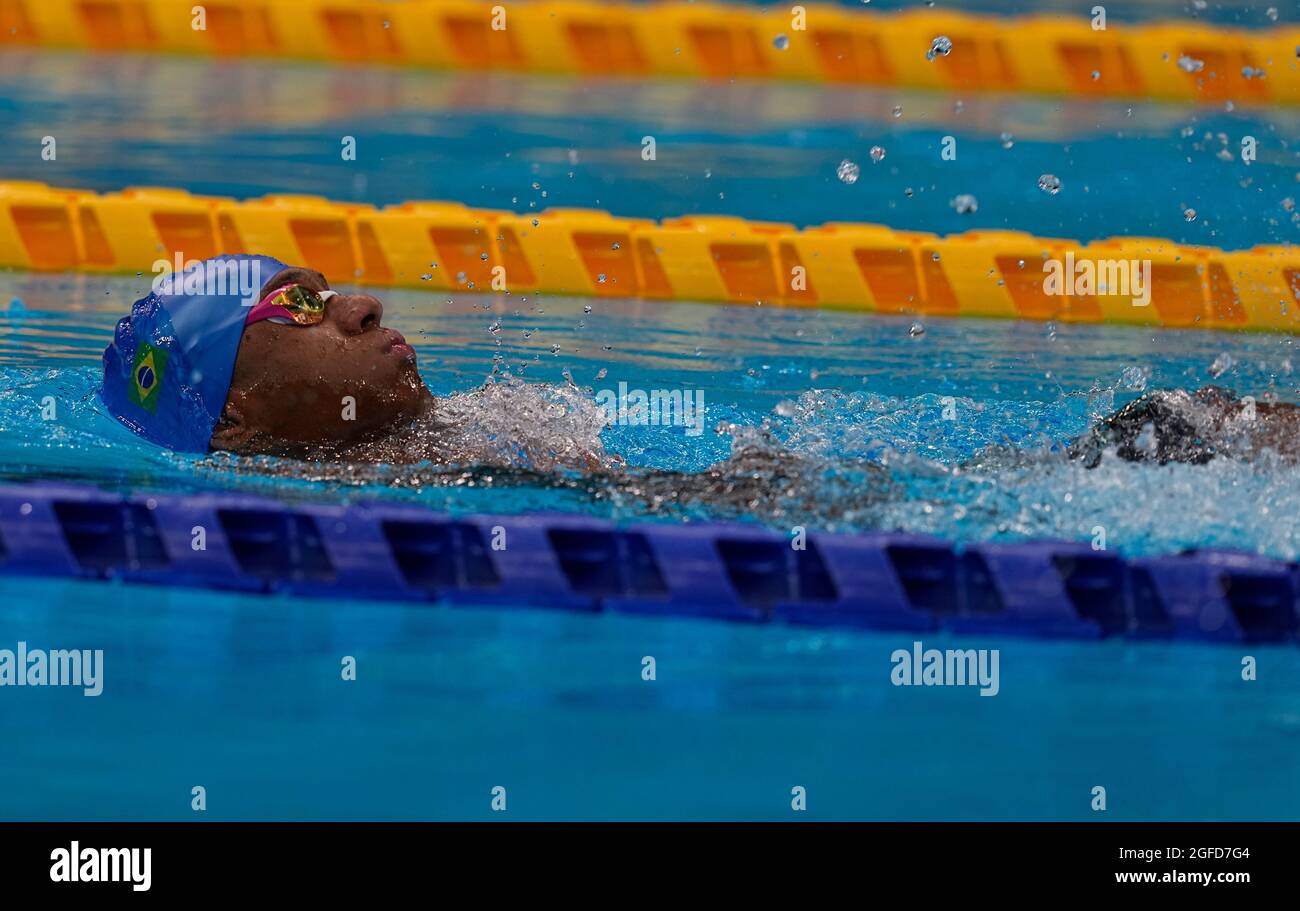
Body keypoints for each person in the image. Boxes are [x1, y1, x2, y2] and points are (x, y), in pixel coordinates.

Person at [103, 255, 1296, 479]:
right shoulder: (347, 499)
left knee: (1167, 429)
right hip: (806, 517)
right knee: (1155, 437)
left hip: (801, 491)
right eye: (299, 305)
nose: (359, 299)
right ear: (241, 418)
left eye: (333, 282)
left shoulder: (438, 435)